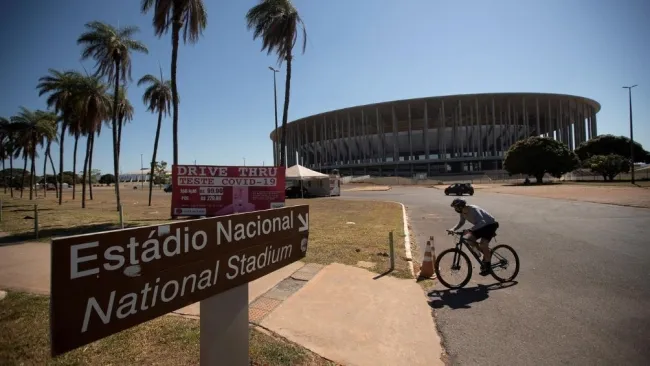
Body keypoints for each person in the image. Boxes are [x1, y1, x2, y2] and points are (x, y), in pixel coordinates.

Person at [447, 198, 499, 276]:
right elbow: (461, 222)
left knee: (483, 244)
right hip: (481, 226)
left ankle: (488, 267)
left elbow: (482, 222)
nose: (455, 209)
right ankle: (484, 254)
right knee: (469, 239)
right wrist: (453, 229)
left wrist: (469, 230)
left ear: (460, 206)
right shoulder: (462, 212)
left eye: (455, 207)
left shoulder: (473, 209)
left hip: (490, 225)